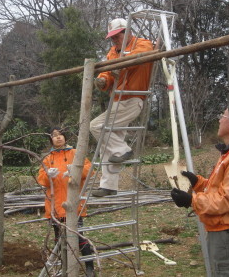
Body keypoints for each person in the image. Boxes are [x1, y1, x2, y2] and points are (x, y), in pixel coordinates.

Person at [170, 100, 229, 276]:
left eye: (223, 116)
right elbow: (224, 190)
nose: (220, 120)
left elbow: (226, 200)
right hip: (224, 231)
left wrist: (191, 200)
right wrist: (198, 183)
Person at [90, 18, 154, 197]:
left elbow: (140, 56)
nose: (114, 41)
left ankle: (123, 149)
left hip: (132, 99)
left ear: (127, 32)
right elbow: (107, 72)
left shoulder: (142, 44)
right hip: (118, 100)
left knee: (96, 126)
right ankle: (109, 185)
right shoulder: (112, 52)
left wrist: (121, 64)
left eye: (117, 36)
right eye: (112, 38)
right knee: (106, 144)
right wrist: (102, 80)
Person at [37, 127, 95, 277]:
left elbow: (89, 169)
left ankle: (90, 267)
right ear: (51, 140)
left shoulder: (75, 153)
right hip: (55, 205)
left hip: (74, 203)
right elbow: (41, 179)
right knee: (59, 239)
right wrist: (47, 175)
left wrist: (75, 171)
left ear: (65, 138)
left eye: (60, 135)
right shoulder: (48, 158)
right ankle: (65, 266)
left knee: (79, 236)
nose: (58, 137)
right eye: (54, 135)